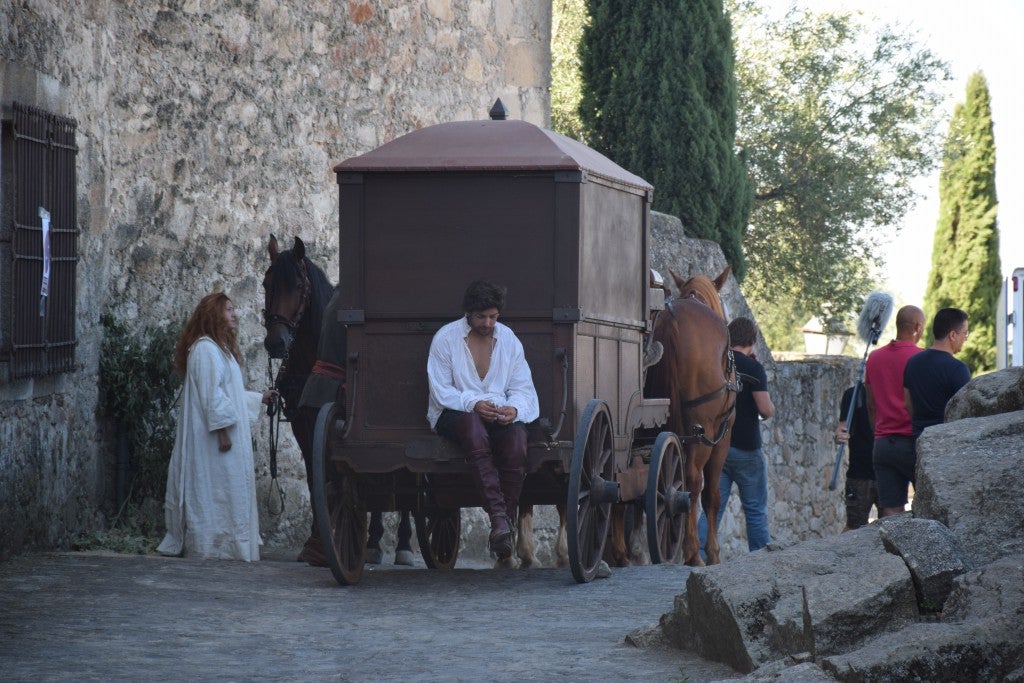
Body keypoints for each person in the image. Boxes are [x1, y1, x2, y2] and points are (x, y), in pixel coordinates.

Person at [426, 280, 539, 565]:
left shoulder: (509, 340)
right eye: (481, 317)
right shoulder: (446, 338)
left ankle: (503, 528)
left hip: (497, 414)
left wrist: (514, 409)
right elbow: (441, 391)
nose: (487, 323)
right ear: (468, 313)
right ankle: (500, 519)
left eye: (493, 316)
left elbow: (523, 389)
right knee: (473, 428)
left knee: (517, 440)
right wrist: (474, 404)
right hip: (453, 413)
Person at [158, 292, 277, 561]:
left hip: (225, 434)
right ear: (214, 315)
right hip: (215, 440)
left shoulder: (219, 349)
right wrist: (223, 433)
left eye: (233, 310)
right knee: (215, 490)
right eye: (229, 310)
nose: (235, 315)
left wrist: (259, 398)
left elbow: (229, 394)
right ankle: (211, 547)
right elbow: (211, 396)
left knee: (226, 491)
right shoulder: (205, 350)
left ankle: (229, 548)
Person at [699, 316, 775, 554]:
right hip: (747, 449)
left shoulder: (717, 362)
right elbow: (765, 409)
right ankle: (760, 561)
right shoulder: (754, 368)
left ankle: (698, 554)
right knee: (755, 510)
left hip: (718, 448)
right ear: (752, 341)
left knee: (712, 509)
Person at [864, 305, 925, 518]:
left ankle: (891, 542)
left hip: (883, 443)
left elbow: (871, 403)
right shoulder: (921, 357)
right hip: (913, 442)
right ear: (917, 327)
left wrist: (878, 432)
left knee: (890, 509)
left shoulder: (874, 358)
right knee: (927, 505)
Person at [904, 308, 972, 438]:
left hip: (918, 439)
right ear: (952, 335)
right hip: (945, 441)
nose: (965, 339)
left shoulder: (912, 362)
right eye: (965, 333)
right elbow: (965, 411)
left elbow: (907, 403)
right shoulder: (958, 369)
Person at [834, 382, 877, 530]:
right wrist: (839, 435)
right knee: (854, 527)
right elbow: (842, 428)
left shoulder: (895, 391)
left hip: (888, 472)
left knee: (892, 525)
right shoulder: (854, 394)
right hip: (860, 473)